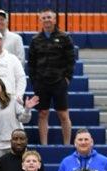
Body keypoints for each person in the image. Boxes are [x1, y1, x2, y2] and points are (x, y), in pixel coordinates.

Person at [28, 8, 75, 145]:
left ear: (54, 20)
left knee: (63, 114)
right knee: (42, 114)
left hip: (59, 82)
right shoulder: (35, 40)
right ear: (40, 20)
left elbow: (71, 60)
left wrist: (66, 78)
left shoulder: (65, 37)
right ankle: (44, 145)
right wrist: (35, 81)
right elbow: (31, 63)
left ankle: (67, 145)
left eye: (49, 17)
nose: (47, 20)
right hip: (41, 83)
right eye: (44, 18)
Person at [0, 78, 37, 167]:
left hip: (16, 144)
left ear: (2, 86)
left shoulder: (13, 100)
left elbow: (24, 119)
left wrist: (27, 109)